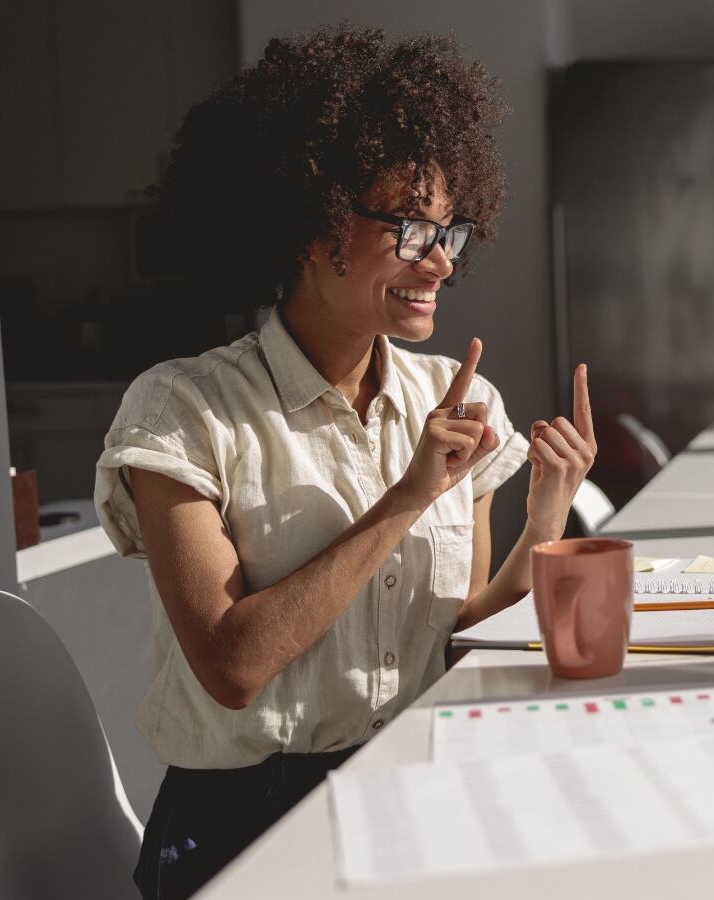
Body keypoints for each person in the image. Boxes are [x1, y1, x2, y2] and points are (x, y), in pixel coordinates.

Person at [92, 26, 596, 899]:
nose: (440, 260)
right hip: (245, 825)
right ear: (307, 224)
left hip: (414, 790)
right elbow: (233, 667)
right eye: (406, 229)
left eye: (449, 229)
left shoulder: (458, 399)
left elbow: (460, 638)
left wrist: (548, 515)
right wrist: (404, 499)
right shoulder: (183, 411)